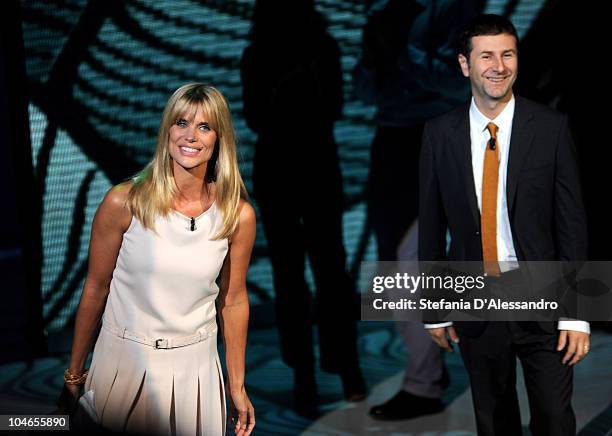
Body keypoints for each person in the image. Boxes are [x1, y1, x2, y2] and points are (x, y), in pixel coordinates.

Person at [419, 15, 589, 436]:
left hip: (544, 298)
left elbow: (572, 224)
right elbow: (431, 225)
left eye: (508, 54)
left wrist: (577, 314)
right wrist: (434, 308)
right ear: (465, 65)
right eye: (487, 56)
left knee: (553, 417)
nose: (499, 66)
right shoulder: (439, 133)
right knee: (494, 421)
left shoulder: (551, 127)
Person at [59, 83, 256, 435]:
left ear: (219, 139)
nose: (190, 136)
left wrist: (236, 384)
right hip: (126, 363)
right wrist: (74, 374)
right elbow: (96, 288)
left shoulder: (236, 215)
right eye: (181, 123)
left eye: (204, 126)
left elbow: (234, 299)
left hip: (196, 370)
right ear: (167, 130)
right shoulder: (124, 202)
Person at [352, 0, 481, 420]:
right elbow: (364, 92)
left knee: (413, 267)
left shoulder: (454, 10)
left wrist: (402, 51)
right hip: (390, 144)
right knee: (395, 268)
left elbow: (459, 84)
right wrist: (375, 56)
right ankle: (428, 372)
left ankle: (423, 384)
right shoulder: (386, 14)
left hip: (436, 139)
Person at [240, 0, 365, 417]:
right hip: (290, 169)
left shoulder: (317, 48)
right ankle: (315, 372)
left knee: (321, 272)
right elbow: (256, 114)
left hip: (308, 166)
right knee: (301, 274)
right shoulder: (262, 53)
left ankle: (337, 367)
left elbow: (332, 106)